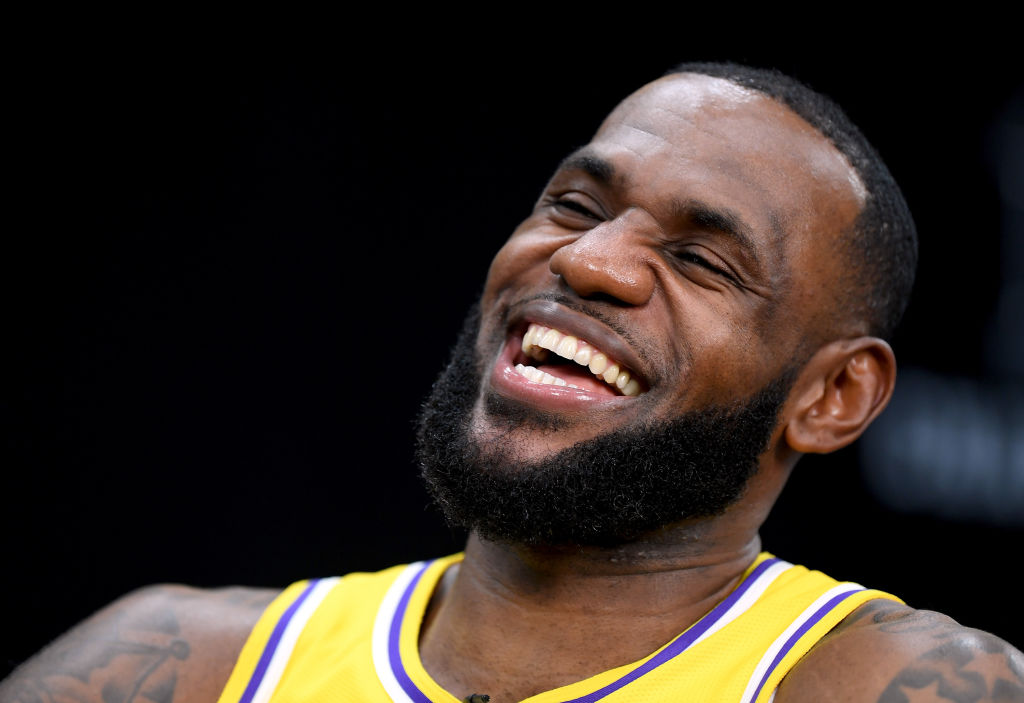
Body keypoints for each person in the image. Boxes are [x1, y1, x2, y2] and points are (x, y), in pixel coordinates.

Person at [2, 60, 1022, 703]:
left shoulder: (881, 683)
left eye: (703, 260)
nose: (589, 261)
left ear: (831, 396)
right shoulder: (177, 666)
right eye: (576, 204)